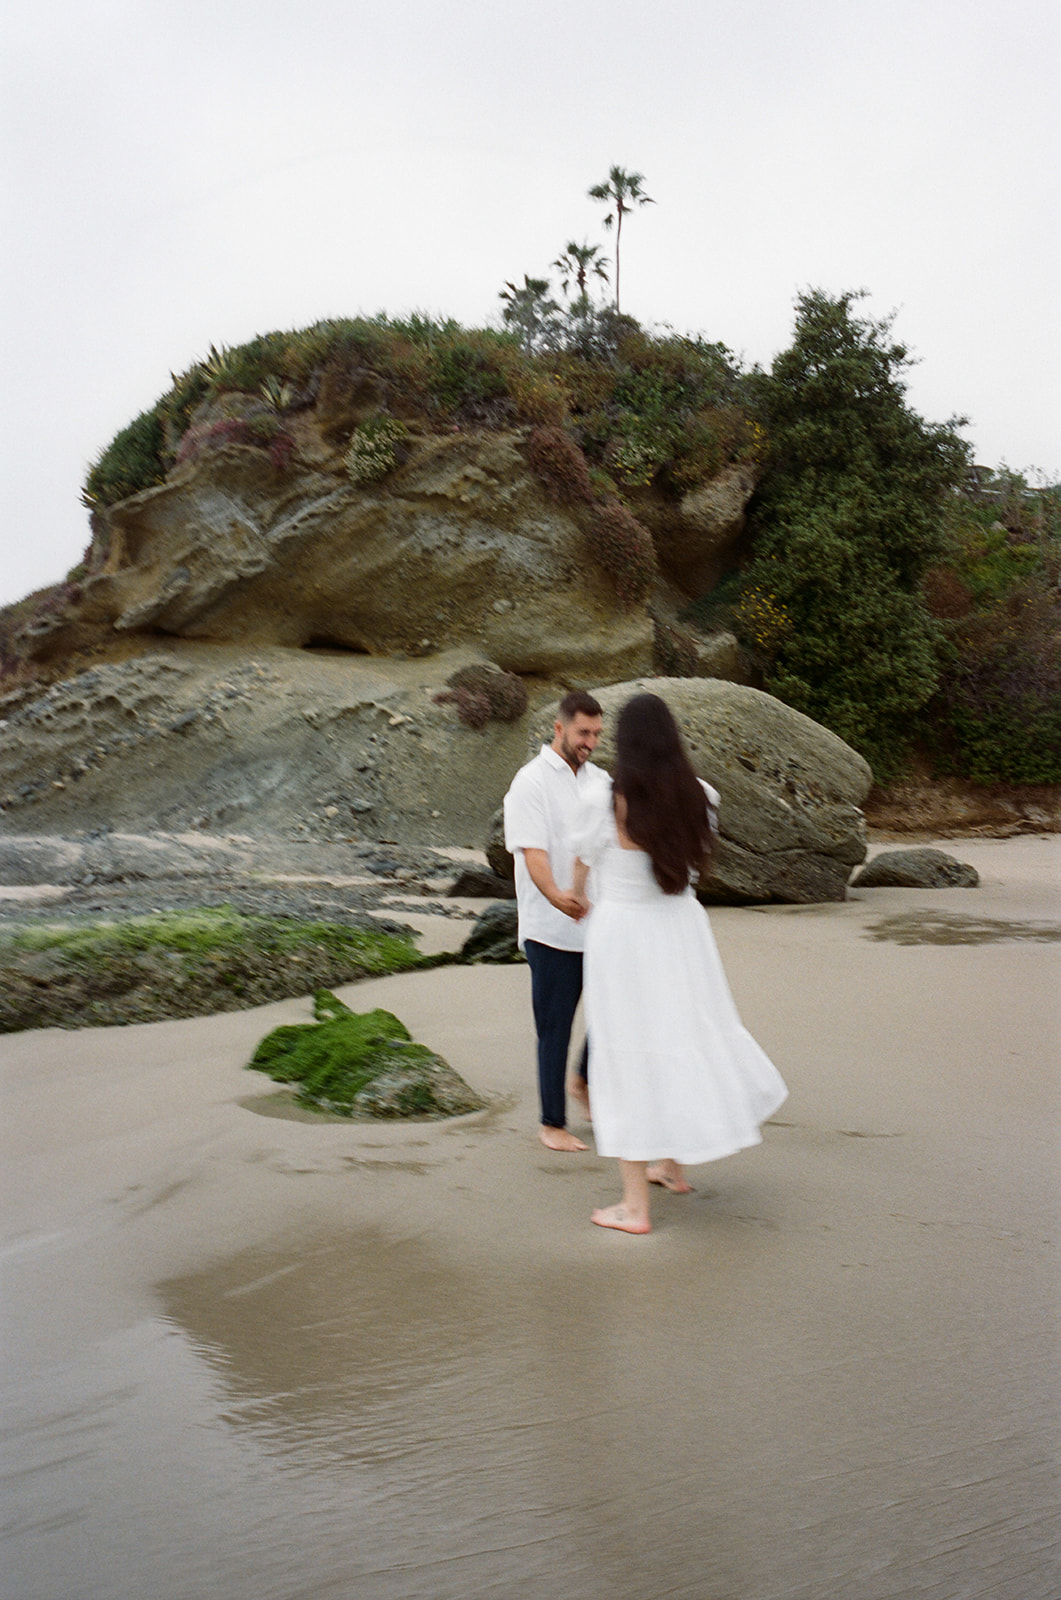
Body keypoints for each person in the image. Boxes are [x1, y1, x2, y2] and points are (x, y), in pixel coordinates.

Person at [571, 692, 788, 1232]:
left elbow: (583, 862)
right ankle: (671, 1165)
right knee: (683, 1035)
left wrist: (578, 899)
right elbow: (692, 860)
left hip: (624, 934)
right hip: (681, 929)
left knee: (626, 1053)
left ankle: (633, 1207)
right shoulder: (702, 795)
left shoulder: (605, 798)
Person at [503, 690, 605, 1151]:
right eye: (584, 733)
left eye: (597, 734)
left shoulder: (602, 780)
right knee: (555, 1025)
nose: (591, 742)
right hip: (550, 927)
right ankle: (552, 1124)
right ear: (559, 729)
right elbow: (531, 853)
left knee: (612, 1017)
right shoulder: (530, 782)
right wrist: (557, 895)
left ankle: (582, 1079)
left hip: (602, 925)